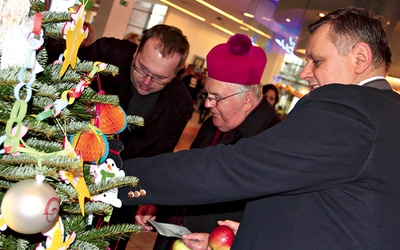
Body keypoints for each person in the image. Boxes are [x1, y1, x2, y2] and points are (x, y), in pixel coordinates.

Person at [119, 6, 400, 249]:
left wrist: (117, 179)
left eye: (317, 60)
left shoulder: (350, 110)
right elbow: (337, 215)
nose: (304, 73)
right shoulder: (386, 113)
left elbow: (231, 169)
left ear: (360, 58)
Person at [135, 33, 281, 250]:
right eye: (207, 95)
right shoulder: (217, 120)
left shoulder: (274, 140)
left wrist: (222, 242)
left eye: (216, 98)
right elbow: (189, 174)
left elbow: (271, 222)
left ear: (247, 100)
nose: (207, 105)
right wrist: (158, 202)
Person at [78, 24, 193, 250]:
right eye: (141, 69)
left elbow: (159, 157)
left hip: (121, 199)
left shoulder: (179, 103)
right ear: (137, 49)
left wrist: (147, 198)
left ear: (178, 72)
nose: (147, 82)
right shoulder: (106, 55)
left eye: (160, 78)